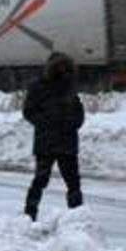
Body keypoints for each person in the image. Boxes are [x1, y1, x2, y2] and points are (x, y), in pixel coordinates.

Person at [22, 52, 85, 221]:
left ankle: (77, 216)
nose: (62, 70)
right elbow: (29, 111)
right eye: (59, 67)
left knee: (73, 181)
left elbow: (78, 110)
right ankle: (30, 213)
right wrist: (45, 123)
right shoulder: (39, 86)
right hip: (46, 141)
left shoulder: (69, 85)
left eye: (65, 67)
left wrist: (75, 123)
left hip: (67, 141)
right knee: (41, 179)